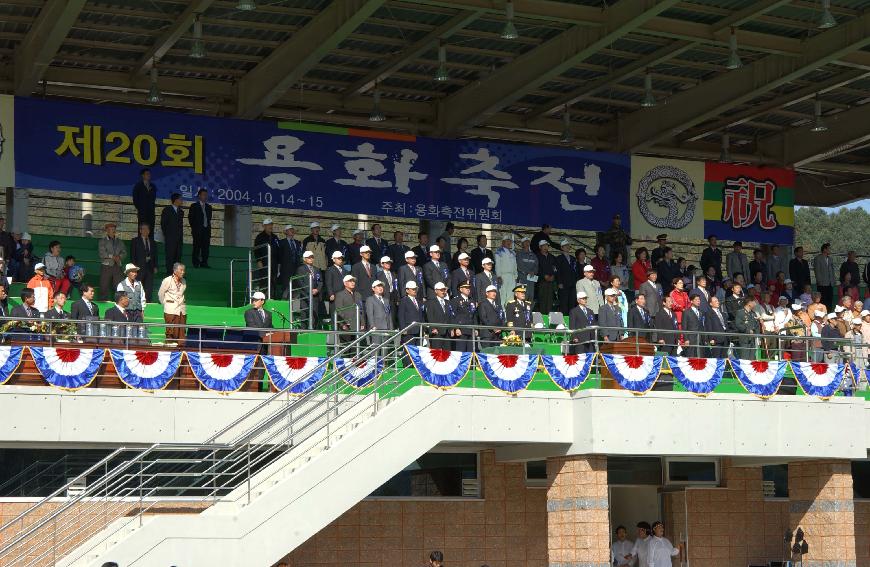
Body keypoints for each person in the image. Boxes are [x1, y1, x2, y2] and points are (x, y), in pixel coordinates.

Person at [157, 262, 187, 345]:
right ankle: (170, 349)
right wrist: (166, 304)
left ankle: (181, 349)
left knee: (181, 331)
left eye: (184, 270)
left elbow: (181, 293)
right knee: (170, 332)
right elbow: (160, 294)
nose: (183, 272)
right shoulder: (167, 280)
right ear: (175, 270)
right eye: (181, 270)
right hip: (170, 310)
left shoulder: (184, 281)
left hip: (181, 310)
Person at [130, 223, 158, 302]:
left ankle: (148, 303)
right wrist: (134, 268)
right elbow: (133, 255)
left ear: (149, 231)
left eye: (147, 229)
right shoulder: (135, 241)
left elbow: (155, 255)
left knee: (149, 288)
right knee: (137, 286)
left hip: (150, 268)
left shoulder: (153, 242)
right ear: (140, 231)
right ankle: (136, 302)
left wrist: (155, 266)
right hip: (138, 268)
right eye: (144, 229)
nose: (146, 231)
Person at [333, 275, 365, 343]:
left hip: (357, 326)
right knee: (346, 349)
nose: (353, 282)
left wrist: (362, 322)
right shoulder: (340, 294)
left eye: (353, 281)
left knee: (356, 348)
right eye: (350, 281)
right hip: (346, 326)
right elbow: (339, 311)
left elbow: (361, 310)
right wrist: (343, 324)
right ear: (345, 283)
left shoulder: (358, 294)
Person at [98, 222, 125, 301]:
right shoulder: (102, 241)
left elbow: (124, 252)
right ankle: (103, 303)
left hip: (117, 266)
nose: (112, 231)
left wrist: (119, 257)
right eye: (110, 229)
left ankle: (119, 303)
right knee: (104, 286)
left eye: (113, 229)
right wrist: (112, 257)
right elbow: (102, 253)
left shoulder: (120, 241)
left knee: (119, 286)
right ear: (107, 231)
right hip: (106, 266)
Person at [159, 193, 184, 277]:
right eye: (180, 199)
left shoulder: (181, 211)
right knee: (170, 255)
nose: (182, 201)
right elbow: (163, 224)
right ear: (176, 200)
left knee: (178, 255)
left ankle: (177, 272)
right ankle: (169, 272)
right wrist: (167, 235)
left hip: (179, 238)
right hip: (170, 237)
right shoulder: (167, 209)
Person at [296, 250, 323, 327]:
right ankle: (304, 330)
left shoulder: (317, 269)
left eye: (312, 257)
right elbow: (300, 282)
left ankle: (313, 330)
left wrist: (317, 289)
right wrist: (309, 290)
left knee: (315, 314)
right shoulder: (301, 269)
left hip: (315, 296)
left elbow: (320, 281)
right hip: (305, 295)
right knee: (304, 313)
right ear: (304, 259)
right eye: (309, 257)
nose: (311, 259)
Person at [253, 218, 280, 295]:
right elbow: (256, 250)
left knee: (273, 282)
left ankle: (272, 299)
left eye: (271, 225)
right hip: (264, 263)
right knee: (265, 282)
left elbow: (278, 250)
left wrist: (278, 264)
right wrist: (259, 261)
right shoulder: (260, 237)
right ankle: (263, 300)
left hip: (274, 264)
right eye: (268, 225)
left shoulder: (275, 237)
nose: (270, 226)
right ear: (264, 226)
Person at [188, 188, 212, 268]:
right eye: (203, 195)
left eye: (206, 195)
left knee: (205, 248)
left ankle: (204, 263)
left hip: (206, 231)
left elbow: (209, 219)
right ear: (199, 196)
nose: (205, 196)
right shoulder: (194, 206)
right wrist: (195, 228)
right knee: (196, 247)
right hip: (197, 231)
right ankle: (195, 263)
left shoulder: (209, 207)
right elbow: (191, 218)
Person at [450, 281, 477, 352]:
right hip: (461, 329)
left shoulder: (472, 300)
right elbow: (453, 315)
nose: (468, 289)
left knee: (471, 352)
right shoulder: (455, 300)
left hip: (471, 329)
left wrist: (476, 328)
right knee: (461, 352)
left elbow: (474, 315)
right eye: (466, 288)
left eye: (469, 288)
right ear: (461, 289)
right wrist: (456, 328)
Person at [365, 280, 394, 348]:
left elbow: (389, 314)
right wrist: (372, 325)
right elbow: (370, 314)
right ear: (373, 288)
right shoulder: (370, 299)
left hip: (386, 328)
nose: (380, 288)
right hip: (377, 328)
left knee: (385, 349)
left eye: (381, 286)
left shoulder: (386, 300)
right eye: (378, 286)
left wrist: (391, 328)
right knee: (376, 350)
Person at [425, 282, 453, 350]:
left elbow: (451, 316)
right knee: (436, 354)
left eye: (444, 289)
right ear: (436, 291)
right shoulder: (431, 302)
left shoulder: (448, 302)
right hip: (436, 332)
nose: (443, 291)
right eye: (441, 290)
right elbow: (430, 316)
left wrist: (452, 328)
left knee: (447, 355)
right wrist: (433, 328)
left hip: (447, 332)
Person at [554, 240, 579, 314]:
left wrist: (576, 281)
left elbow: (576, 271)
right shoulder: (558, 258)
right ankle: (564, 322)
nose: (568, 247)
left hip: (572, 283)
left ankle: (571, 320)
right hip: (563, 284)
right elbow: (557, 272)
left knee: (572, 303)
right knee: (564, 303)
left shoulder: (573, 258)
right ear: (562, 247)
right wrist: (559, 282)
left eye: (568, 245)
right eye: (566, 245)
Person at [398, 281, 425, 349]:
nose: (415, 290)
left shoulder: (418, 301)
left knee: (418, 351)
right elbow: (401, 316)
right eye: (413, 289)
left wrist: (423, 329)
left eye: (416, 289)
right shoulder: (403, 300)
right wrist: (403, 329)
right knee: (409, 351)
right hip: (409, 331)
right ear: (407, 290)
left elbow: (421, 315)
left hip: (419, 331)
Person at [278, 225, 303, 298]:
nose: (292, 230)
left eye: (292, 229)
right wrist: (279, 270)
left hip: (297, 269)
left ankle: (294, 306)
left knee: (296, 288)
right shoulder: (281, 242)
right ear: (285, 232)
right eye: (289, 229)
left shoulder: (298, 243)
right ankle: (284, 304)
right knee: (286, 288)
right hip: (286, 270)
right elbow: (279, 257)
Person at [515, 236, 538, 302]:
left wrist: (533, 271)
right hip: (522, 279)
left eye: (528, 242)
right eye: (525, 242)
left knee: (530, 297)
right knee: (521, 298)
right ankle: (520, 312)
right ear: (522, 244)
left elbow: (536, 265)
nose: (527, 243)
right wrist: (529, 271)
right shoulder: (519, 254)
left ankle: (529, 312)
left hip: (531, 280)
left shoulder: (533, 255)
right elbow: (519, 266)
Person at [813, 242, 836, 310]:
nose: (830, 250)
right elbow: (817, 270)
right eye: (829, 248)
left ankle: (829, 312)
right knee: (823, 299)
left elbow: (832, 270)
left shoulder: (830, 259)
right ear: (824, 249)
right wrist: (819, 281)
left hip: (830, 283)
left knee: (830, 299)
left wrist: (833, 280)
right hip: (822, 283)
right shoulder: (818, 258)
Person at [681, 293, 704, 357]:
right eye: (696, 299)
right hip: (691, 339)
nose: (698, 301)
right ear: (691, 301)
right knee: (691, 358)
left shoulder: (700, 312)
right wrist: (686, 339)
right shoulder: (686, 312)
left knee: (700, 357)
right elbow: (684, 326)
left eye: (699, 299)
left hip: (700, 339)